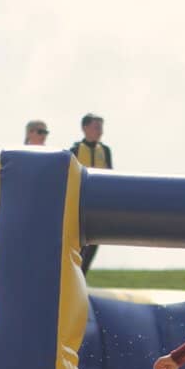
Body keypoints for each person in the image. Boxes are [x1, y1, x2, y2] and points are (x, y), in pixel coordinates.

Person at [70, 113, 112, 275]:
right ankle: (74, 275)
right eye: (96, 127)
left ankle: (82, 276)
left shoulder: (106, 151)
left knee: (95, 242)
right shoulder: (74, 150)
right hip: (80, 205)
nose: (100, 131)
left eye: (101, 128)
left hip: (99, 205)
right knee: (79, 244)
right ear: (85, 128)